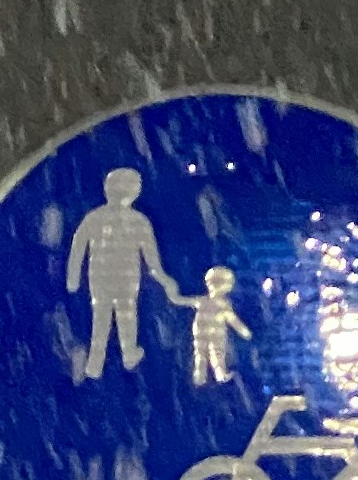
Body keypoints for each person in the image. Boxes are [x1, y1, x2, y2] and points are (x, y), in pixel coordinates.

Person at [64, 165, 179, 377]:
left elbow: (78, 248)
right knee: (126, 315)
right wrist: (163, 277)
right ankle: (127, 353)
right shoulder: (139, 221)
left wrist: (73, 279)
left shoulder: (95, 217)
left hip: (101, 278)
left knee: (102, 317)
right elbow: (151, 259)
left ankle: (96, 363)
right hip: (125, 279)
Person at [186, 264, 253, 386]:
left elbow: (183, 301)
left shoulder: (202, 300)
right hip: (216, 333)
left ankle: (200, 377)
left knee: (200, 353)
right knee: (216, 353)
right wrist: (245, 332)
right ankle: (219, 375)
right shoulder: (223, 304)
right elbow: (233, 320)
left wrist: (173, 296)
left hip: (200, 330)